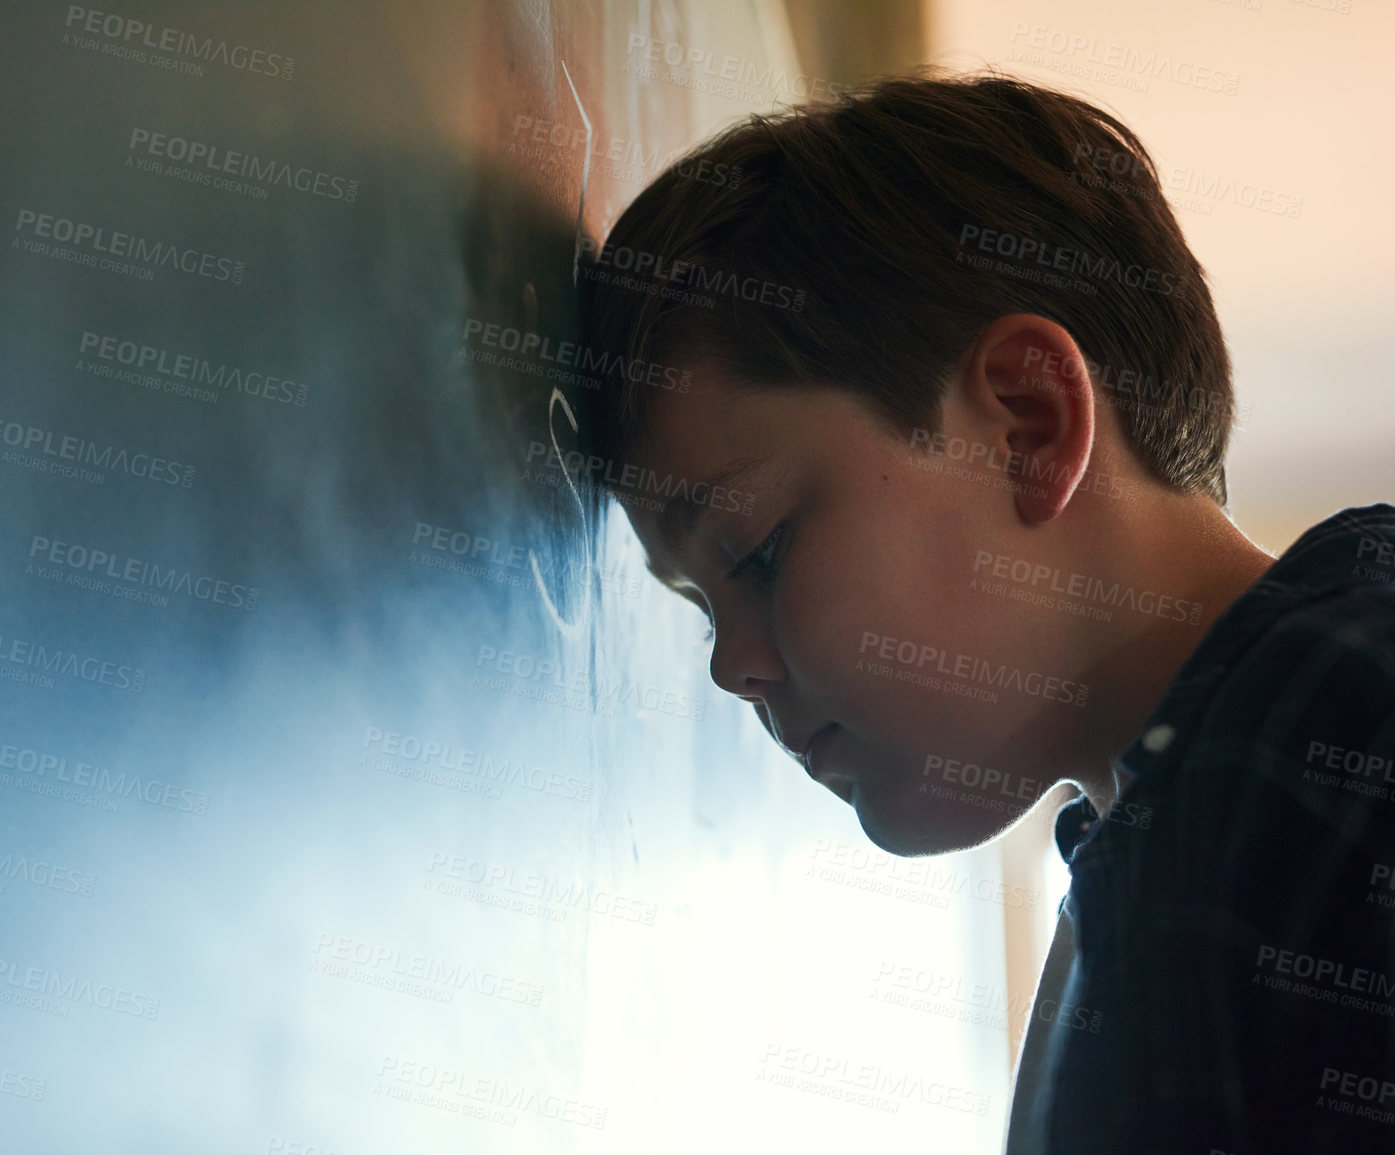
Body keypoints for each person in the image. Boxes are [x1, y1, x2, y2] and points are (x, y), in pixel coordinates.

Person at [572, 72, 1395, 1153]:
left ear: (1027, 425)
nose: (733, 669)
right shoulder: (1142, 856)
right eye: (698, 607)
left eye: (761, 556)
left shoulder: (1347, 723)